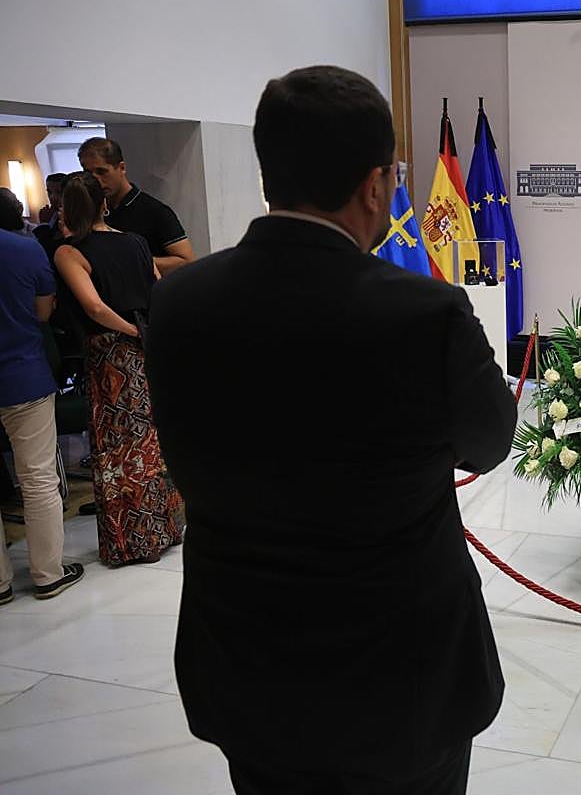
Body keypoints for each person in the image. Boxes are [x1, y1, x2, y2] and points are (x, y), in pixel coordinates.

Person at [145, 65, 515, 794]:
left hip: (246, 666)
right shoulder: (426, 313)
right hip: (402, 679)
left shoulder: (181, 301)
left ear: (268, 173)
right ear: (377, 186)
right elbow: (489, 443)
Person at [54, 172, 183, 566]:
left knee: (117, 447)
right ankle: (164, 529)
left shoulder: (69, 253)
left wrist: (128, 330)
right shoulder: (137, 242)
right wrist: (146, 330)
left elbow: (93, 306)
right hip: (147, 350)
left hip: (110, 354)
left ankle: (132, 541)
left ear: (66, 210)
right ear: (104, 203)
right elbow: (157, 285)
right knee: (150, 440)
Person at [0, 187, 85, 604]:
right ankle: (48, 573)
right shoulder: (25, 249)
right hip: (22, 373)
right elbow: (43, 312)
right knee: (37, 479)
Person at [77, 137, 194, 276]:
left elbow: (187, 261)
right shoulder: (91, 211)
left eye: (102, 172)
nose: (96, 180)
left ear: (122, 168)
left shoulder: (154, 211)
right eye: (88, 174)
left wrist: (133, 259)